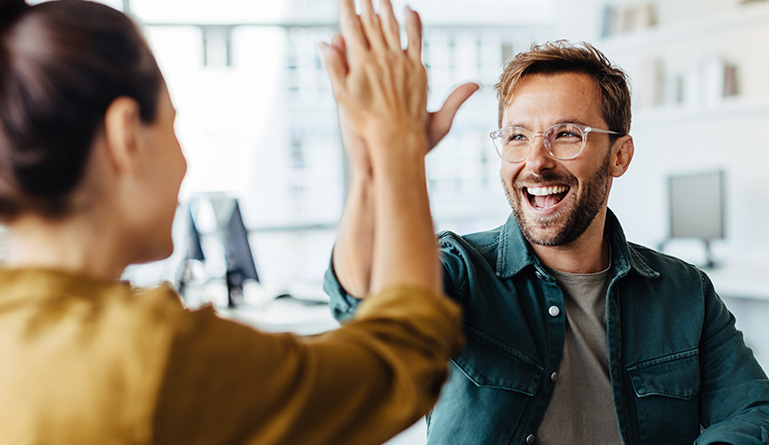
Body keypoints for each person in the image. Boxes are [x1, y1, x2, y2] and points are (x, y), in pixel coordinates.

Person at [0, 0, 465, 443]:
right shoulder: (146, 357)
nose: (184, 162)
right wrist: (398, 144)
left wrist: (372, 168)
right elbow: (399, 363)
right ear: (126, 136)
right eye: (172, 126)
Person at [324, 38, 769, 443]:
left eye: (566, 134)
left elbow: (756, 410)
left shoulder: (685, 292)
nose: (536, 161)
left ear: (620, 155)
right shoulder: (461, 271)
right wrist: (375, 166)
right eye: (518, 136)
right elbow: (362, 298)